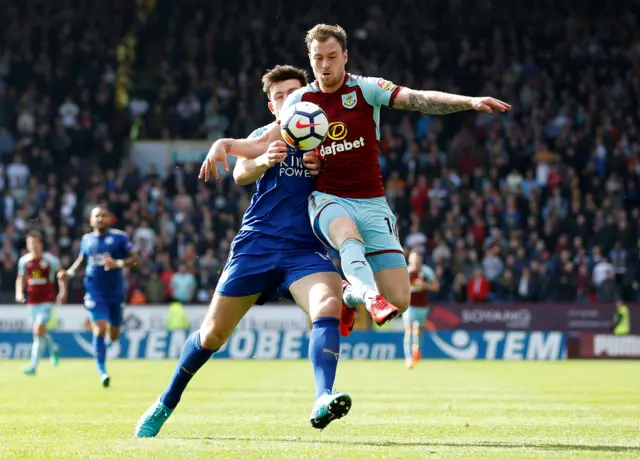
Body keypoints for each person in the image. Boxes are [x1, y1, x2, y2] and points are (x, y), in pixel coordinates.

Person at [198, 24, 511, 337]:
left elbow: (417, 99)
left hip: (372, 202)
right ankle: (369, 297)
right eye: (318, 58)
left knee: (400, 299)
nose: (325, 64)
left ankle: (349, 294)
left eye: (332, 56)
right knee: (347, 235)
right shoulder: (300, 102)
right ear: (310, 59)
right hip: (328, 199)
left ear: (345, 56)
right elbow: (260, 143)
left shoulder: (366, 89)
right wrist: (223, 144)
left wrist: (468, 101)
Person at [135, 65, 351, 438]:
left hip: (304, 251)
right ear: (272, 106)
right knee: (212, 336)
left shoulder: (324, 141)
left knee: (327, 305)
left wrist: (324, 169)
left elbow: (347, 188)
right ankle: (165, 402)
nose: (289, 99)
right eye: (280, 95)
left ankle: (322, 397)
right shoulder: (266, 136)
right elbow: (240, 172)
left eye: (295, 92)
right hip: (256, 247)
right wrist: (266, 159)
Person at [59, 206, 139, 387]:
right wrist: (69, 274)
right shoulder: (87, 240)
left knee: (114, 334)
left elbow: (136, 260)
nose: (100, 219)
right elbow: (82, 259)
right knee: (100, 329)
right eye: (97, 216)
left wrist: (117, 263)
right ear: (91, 220)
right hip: (95, 292)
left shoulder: (119, 238)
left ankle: (109, 333)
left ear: (109, 219)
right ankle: (102, 371)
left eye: (104, 215)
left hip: (116, 293)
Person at [16, 231, 66, 375]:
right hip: (32, 301)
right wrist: (19, 293)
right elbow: (20, 278)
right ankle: (54, 348)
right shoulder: (24, 261)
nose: (32, 246)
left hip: (47, 301)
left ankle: (33, 366)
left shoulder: (50, 260)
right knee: (39, 332)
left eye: (35, 243)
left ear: (40, 244)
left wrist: (62, 292)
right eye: (29, 243)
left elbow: (61, 276)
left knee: (38, 330)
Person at [402, 250, 439, 369]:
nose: (416, 260)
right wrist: (411, 288)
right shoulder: (405, 271)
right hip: (409, 305)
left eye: (418, 258)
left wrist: (424, 286)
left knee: (418, 331)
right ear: (410, 259)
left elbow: (436, 287)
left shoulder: (426, 271)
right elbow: (400, 288)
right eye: (414, 258)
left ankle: (416, 351)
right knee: (409, 330)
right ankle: (408, 358)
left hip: (422, 306)